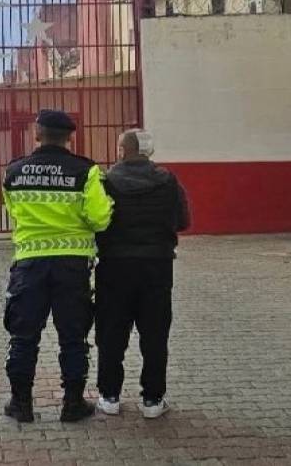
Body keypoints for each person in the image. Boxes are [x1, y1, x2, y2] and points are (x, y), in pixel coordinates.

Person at [1, 109, 114, 423]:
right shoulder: (85, 171)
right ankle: (73, 404)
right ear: (69, 137)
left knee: (23, 337)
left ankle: (21, 404)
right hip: (72, 266)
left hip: (28, 264)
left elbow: (13, 211)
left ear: (37, 133)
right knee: (73, 337)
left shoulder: (14, 171)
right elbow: (99, 219)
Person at [94, 129, 190, 419]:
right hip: (157, 266)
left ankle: (109, 396)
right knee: (155, 335)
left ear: (123, 150)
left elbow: (96, 220)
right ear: (149, 152)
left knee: (111, 332)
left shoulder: (106, 181)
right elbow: (183, 221)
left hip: (114, 266)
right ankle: (152, 399)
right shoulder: (168, 181)